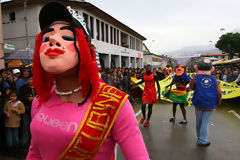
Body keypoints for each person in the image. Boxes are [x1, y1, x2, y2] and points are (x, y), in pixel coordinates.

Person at [27, 2, 149, 160]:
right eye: (46, 37)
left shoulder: (114, 103)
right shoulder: (39, 101)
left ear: (86, 50)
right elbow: (34, 154)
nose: (53, 40)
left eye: (66, 37)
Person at [190, 59, 222, 146]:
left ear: (197, 68)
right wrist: (219, 101)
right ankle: (203, 140)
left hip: (198, 102)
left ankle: (199, 137)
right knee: (205, 122)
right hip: (210, 103)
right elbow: (219, 92)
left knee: (199, 121)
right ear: (212, 68)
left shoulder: (196, 78)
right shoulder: (214, 79)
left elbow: (191, 87)